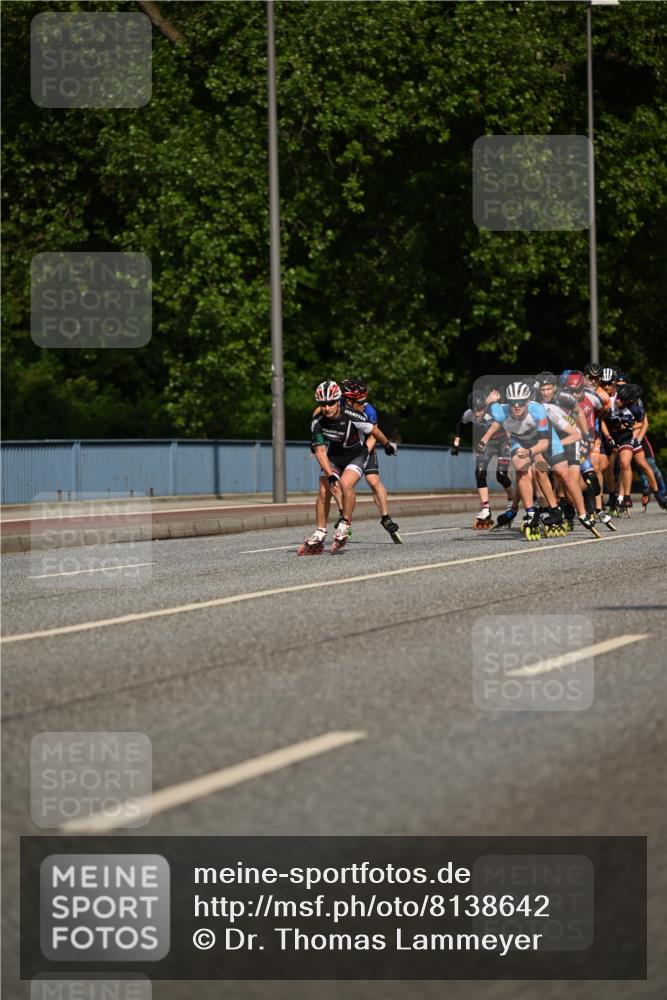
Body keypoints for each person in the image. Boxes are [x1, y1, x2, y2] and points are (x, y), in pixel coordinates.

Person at [478, 380, 601, 540]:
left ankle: (583, 514)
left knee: (564, 475)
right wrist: (483, 439)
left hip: (546, 439)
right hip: (520, 440)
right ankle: (532, 512)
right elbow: (495, 421)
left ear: (528, 401)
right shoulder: (501, 411)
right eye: (513, 403)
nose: (517, 406)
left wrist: (529, 452)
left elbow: (544, 443)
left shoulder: (539, 410)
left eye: (521, 403)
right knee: (523, 470)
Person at [298, 380, 398, 554]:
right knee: (324, 490)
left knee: (347, 484)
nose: (327, 407)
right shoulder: (318, 419)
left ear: (338, 401)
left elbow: (374, 432)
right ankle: (320, 531)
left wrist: (387, 444)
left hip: (357, 453)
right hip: (335, 455)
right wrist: (329, 475)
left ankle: (346, 522)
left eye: (330, 403)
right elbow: (321, 452)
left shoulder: (356, 414)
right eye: (323, 404)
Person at [340, 379, 402, 542]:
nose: (364, 404)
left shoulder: (370, 412)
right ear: (348, 400)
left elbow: (374, 435)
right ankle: (344, 516)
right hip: (343, 450)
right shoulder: (336, 407)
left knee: (373, 481)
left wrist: (365, 453)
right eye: (360, 401)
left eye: (365, 399)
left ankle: (385, 517)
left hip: (366, 446)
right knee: (339, 483)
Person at [599, 382, 667, 513]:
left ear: (629, 401)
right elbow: (601, 420)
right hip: (613, 436)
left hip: (628, 436)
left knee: (641, 464)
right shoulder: (610, 401)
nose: (618, 401)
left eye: (621, 400)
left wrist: (632, 432)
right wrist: (608, 436)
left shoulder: (636, 408)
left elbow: (642, 423)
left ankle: (658, 493)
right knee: (612, 465)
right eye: (617, 398)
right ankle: (621, 496)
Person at [451, 388, 513, 529]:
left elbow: (513, 413)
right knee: (479, 473)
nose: (477, 414)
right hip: (488, 443)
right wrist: (457, 442)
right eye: (474, 410)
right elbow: (460, 424)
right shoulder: (469, 414)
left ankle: (511, 500)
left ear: (485, 407)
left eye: (480, 410)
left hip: (503, 442)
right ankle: (485, 509)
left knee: (501, 476)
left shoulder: (495, 410)